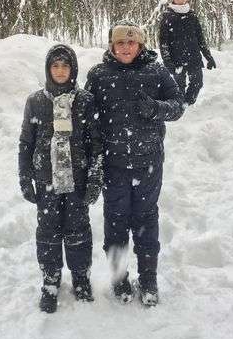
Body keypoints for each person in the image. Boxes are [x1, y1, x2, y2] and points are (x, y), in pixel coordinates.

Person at [85, 21, 183, 306]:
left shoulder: (156, 71)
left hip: (148, 163)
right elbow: (87, 118)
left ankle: (149, 279)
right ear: (112, 46)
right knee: (115, 222)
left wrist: (156, 108)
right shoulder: (99, 75)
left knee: (146, 220)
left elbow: (178, 105)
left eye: (131, 43)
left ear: (141, 45)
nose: (125, 48)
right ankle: (119, 279)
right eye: (120, 43)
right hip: (113, 165)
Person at [18, 44, 103, 313]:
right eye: (55, 66)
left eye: (65, 66)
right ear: (48, 69)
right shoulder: (36, 101)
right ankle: (50, 282)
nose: (60, 71)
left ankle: (80, 278)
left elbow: (96, 144)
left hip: (77, 180)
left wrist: (94, 178)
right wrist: (25, 177)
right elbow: (25, 143)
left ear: (73, 69)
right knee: (48, 233)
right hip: (46, 180)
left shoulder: (86, 100)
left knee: (79, 231)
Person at [158, 0, 217, 106]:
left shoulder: (192, 16)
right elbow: (163, 43)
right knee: (179, 86)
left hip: (193, 58)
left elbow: (200, 39)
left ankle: (187, 104)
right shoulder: (167, 17)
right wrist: (167, 61)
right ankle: (179, 108)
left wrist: (208, 57)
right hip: (176, 60)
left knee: (197, 83)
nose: (180, 0)